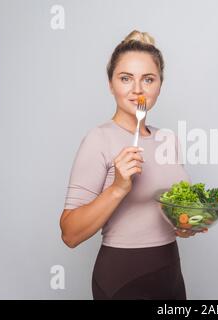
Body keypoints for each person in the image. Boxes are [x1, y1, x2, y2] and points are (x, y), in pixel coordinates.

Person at [59, 29, 204, 300]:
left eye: (148, 79)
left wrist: (185, 224)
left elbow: (162, 215)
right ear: (111, 84)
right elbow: (70, 234)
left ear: (160, 84)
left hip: (171, 273)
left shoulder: (168, 139)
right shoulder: (98, 139)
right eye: (125, 78)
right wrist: (117, 187)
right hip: (121, 279)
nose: (137, 89)